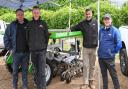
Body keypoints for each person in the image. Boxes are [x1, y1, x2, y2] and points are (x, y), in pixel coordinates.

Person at [69, 8, 98, 89]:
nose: (88, 15)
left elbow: (101, 31)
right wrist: (69, 28)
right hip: (85, 48)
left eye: (89, 14)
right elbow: (74, 27)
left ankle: (91, 82)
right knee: (85, 66)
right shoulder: (82, 23)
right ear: (85, 14)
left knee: (92, 66)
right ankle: (85, 83)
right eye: (87, 14)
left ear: (92, 14)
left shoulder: (96, 22)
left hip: (94, 48)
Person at [4, 9, 29, 89]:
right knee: (15, 72)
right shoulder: (12, 25)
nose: (20, 16)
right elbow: (6, 37)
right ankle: (15, 86)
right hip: (16, 53)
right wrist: (9, 48)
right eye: (18, 14)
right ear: (16, 16)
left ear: (24, 15)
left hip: (26, 53)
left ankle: (25, 86)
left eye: (22, 14)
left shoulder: (28, 24)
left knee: (25, 71)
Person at [26, 6, 49, 89]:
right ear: (32, 13)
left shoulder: (43, 23)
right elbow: (27, 37)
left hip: (42, 51)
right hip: (33, 52)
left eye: (37, 12)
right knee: (36, 71)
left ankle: (43, 87)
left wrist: (44, 47)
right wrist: (31, 46)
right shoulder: (29, 24)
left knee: (42, 72)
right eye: (34, 12)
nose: (36, 14)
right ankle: (38, 87)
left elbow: (47, 37)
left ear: (40, 13)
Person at [98, 13, 122, 89]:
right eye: (105, 19)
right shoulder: (101, 30)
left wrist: (113, 52)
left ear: (111, 20)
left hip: (109, 58)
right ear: (103, 21)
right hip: (101, 57)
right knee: (104, 76)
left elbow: (119, 44)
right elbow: (100, 41)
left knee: (113, 75)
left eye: (108, 19)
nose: (107, 20)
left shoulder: (115, 30)